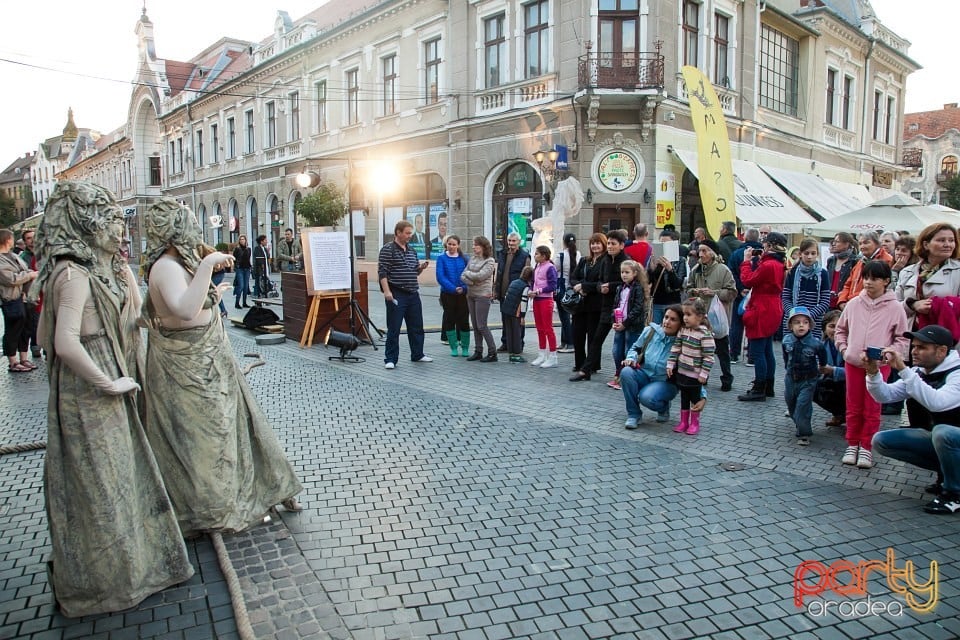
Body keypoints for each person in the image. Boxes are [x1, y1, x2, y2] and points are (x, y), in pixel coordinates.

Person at [31, 182, 193, 616]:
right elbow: (63, 342)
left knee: (120, 472)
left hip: (108, 368)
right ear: (88, 224)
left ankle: (132, 563)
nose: (119, 231)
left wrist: (128, 289)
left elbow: (129, 318)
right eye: (111, 221)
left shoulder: (94, 270)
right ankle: (110, 577)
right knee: (101, 479)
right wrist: (108, 382)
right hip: (90, 390)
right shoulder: (73, 274)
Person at [142, 198, 303, 535]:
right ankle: (213, 504)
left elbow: (198, 302)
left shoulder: (179, 264)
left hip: (209, 359)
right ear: (174, 231)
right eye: (188, 223)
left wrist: (214, 286)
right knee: (205, 438)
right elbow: (184, 311)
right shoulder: (166, 267)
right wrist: (208, 265)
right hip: (188, 364)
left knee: (234, 426)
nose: (194, 230)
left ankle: (259, 486)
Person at [868, 325, 960, 514]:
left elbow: (937, 403)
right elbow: (885, 395)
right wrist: (872, 373)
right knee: (881, 441)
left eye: (922, 347)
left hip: (951, 438)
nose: (914, 351)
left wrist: (903, 368)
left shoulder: (957, 374)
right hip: (946, 441)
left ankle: (954, 494)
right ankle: (948, 474)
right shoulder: (920, 372)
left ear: (942, 351)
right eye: (914, 346)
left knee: (943, 433)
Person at [834, 260, 910, 469]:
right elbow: (841, 331)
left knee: (872, 407)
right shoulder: (854, 303)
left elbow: (902, 339)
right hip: (853, 363)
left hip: (878, 366)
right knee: (853, 405)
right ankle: (852, 443)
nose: (869, 282)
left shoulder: (895, 307)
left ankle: (867, 446)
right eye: (866, 278)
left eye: (874, 278)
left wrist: (888, 356)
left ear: (886, 281)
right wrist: (844, 349)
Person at [738, 232, 788, 401]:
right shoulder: (779, 263)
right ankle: (768, 386)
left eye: (765, 243)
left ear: (770, 245)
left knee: (758, 351)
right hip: (772, 306)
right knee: (767, 350)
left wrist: (745, 262)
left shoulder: (768, 265)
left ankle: (759, 387)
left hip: (762, 308)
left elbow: (748, 279)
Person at [574, 229, 627, 381]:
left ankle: (621, 374)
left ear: (621, 245)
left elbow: (627, 283)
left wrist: (609, 286)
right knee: (596, 339)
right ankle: (586, 370)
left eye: (613, 244)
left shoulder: (625, 260)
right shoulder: (605, 260)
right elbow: (599, 282)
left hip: (621, 308)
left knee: (620, 345)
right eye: (609, 243)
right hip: (605, 306)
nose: (610, 246)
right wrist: (599, 287)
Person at [378, 219, 432, 369]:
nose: (410, 236)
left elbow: (414, 271)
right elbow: (382, 272)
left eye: (411, 233)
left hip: (413, 292)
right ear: (398, 233)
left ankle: (418, 354)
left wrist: (421, 267)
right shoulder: (387, 249)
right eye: (407, 233)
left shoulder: (411, 250)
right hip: (397, 292)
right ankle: (390, 359)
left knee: (416, 326)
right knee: (394, 327)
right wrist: (387, 292)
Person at [621, 304, 684, 427]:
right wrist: (630, 358)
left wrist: (701, 395)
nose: (667, 322)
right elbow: (635, 348)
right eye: (666, 317)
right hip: (644, 374)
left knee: (647, 397)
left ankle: (663, 406)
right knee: (626, 372)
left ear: (681, 324)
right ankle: (634, 415)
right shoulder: (650, 331)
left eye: (673, 319)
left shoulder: (683, 342)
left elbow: (691, 369)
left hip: (665, 382)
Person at [685, 241, 736, 391]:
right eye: (700, 251)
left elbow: (732, 292)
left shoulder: (723, 270)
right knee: (699, 349)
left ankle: (727, 379)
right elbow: (687, 288)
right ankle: (702, 377)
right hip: (700, 316)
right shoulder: (696, 269)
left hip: (717, 317)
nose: (701, 254)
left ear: (712, 253)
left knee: (722, 351)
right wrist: (694, 291)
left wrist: (714, 293)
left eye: (704, 251)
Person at [896, 223, 960, 340]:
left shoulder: (958, 271)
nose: (948, 244)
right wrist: (912, 305)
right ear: (926, 244)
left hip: (944, 338)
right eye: (941, 240)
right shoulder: (907, 272)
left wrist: (938, 305)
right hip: (911, 335)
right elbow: (894, 305)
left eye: (951, 240)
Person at [666, 297, 715, 435]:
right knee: (684, 398)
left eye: (689, 315)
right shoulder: (683, 330)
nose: (685, 318)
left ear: (699, 316)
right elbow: (676, 348)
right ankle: (683, 421)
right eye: (684, 315)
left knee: (695, 398)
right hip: (682, 371)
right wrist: (671, 363)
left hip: (695, 374)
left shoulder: (705, 334)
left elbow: (709, 357)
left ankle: (694, 422)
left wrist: (703, 374)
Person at [569, 232, 607, 380]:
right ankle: (580, 363)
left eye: (598, 243)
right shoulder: (585, 261)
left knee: (593, 336)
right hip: (580, 304)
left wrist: (584, 286)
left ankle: (592, 365)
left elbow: (601, 282)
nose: (595, 246)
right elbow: (573, 277)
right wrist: (578, 286)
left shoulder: (605, 262)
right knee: (577, 334)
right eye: (593, 243)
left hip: (596, 304)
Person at [782, 306, 821, 446]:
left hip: (808, 379)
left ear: (809, 325)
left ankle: (804, 433)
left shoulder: (815, 343)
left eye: (805, 322)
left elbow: (822, 357)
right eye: (797, 322)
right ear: (791, 326)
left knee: (803, 405)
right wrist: (787, 369)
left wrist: (821, 368)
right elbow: (786, 356)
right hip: (791, 378)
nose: (801, 325)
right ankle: (798, 422)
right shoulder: (786, 340)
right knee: (791, 403)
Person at [0, 230, 37, 372]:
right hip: (10, 298)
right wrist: (29, 275)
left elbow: (25, 270)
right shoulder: (2, 259)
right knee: (13, 328)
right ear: (7, 240)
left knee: (25, 327)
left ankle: (23, 357)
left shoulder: (14, 255)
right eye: (11, 238)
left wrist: (28, 275)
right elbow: (11, 279)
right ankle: (13, 361)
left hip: (23, 296)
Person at [609, 259, 648, 389]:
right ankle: (619, 373)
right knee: (616, 350)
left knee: (630, 350)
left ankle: (628, 376)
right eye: (622, 272)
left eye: (627, 272)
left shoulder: (638, 288)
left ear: (635, 273)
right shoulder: (620, 287)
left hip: (632, 325)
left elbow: (638, 308)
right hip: (620, 323)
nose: (624, 275)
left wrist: (625, 323)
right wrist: (614, 321)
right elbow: (615, 305)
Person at [780, 238, 830, 341]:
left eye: (813, 253)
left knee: (811, 353)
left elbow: (825, 301)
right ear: (800, 254)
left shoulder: (823, 274)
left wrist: (808, 316)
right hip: (793, 321)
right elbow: (785, 297)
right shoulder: (792, 272)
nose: (809, 256)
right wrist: (794, 314)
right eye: (806, 253)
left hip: (813, 321)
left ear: (817, 254)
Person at [461, 236, 498, 362]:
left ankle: (493, 352)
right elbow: (463, 275)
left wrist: (469, 276)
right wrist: (471, 281)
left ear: (482, 246)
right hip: (471, 294)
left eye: (475, 245)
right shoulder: (472, 258)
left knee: (482, 325)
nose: (473, 247)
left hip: (483, 295)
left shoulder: (490, 261)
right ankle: (478, 351)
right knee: (475, 325)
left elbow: (481, 276)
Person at [728, 228, 762, 363]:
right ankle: (751, 356)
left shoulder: (737, 254)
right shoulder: (762, 255)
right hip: (757, 294)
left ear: (745, 238)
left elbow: (731, 273)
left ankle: (734, 354)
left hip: (740, 292)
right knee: (753, 324)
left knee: (736, 324)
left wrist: (741, 288)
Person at [495, 232, 531, 351]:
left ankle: (519, 343)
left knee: (518, 320)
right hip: (503, 293)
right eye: (509, 241)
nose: (511, 243)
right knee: (505, 319)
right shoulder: (502, 254)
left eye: (514, 241)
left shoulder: (524, 256)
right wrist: (495, 290)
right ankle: (506, 342)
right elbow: (498, 272)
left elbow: (527, 275)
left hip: (517, 294)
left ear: (519, 242)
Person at [838, 231, 893, 308]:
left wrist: (851, 300)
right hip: (853, 304)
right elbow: (848, 284)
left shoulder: (886, 260)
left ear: (877, 243)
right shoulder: (860, 262)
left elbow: (878, 287)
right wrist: (842, 300)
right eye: (860, 244)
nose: (862, 246)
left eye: (866, 243)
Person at [436, 234, 470, 356]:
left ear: (458, 245)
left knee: (464, 320)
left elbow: (469, 274)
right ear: (446, 245)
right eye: (449, 244)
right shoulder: (441, 258)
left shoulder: (465, 258)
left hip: (463, 294)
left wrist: (464, 288)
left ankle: (465, 347)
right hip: (448, 294)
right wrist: (453, 288)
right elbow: (440, 276)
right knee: (449, 319)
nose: (451, 246)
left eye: (454, 244)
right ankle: (453, 346)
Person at [527, 245, 559, 368]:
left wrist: (539, 291)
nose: (535, 256)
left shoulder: (550, 268)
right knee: (539, 328)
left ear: (544, 256)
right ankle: (541, 354)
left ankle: (552, 355)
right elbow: (533, 282)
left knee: (548, 328)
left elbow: (553, 286)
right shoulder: (537, 266)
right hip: (536, 300)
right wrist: (531, 290)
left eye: (537, 254)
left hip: (546, 300)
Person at [648, 229, 686, 325]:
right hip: (656, 302)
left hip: (672, 303)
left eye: (666, 243)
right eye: (661, 243)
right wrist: (652, 268)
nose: (663, 246)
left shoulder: (680, 260)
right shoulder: (655, 259)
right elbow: (648, 281)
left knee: (671, 332)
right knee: (655, 331)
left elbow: (677, 284)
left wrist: (670, 269)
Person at [817, 310, 847, 428]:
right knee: (813, 388)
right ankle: (839, 414)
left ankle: (852, 419)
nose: (835, 330)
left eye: (839, 326)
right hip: (831, 381)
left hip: (849, 383)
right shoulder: (820, 345)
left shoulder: (850, 346)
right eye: (831, 326)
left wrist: (833, 370)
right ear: (824, 328)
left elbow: (855, 373)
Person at [553, 233, 580, 353]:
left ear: (563, 242)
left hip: (562, 289)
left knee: (564, 317)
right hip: (573, 289)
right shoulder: (578, 254)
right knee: (568, 317)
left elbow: (555, 270)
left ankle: (569, 343)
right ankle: (565, 342)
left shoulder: (561, 255)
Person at [501, 266, 533, 363]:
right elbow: (523, 302)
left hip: (506, 310)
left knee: (509, 332)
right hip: (516, 312)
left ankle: (511, 354)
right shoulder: (525, 287)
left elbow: (507, 295)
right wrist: (522, 316)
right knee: (516, 333)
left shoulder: (514, 282)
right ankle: (517, 354)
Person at [19, 229, 41, 358]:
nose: (32, 240)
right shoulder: (23, 257)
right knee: (34, 322)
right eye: (28, 238)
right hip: (31, 294)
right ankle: (35, 346)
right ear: (25, 241)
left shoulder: (43, 252)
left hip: (46, 293)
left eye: (33, 237)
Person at [826, 232, 858, 310]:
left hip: (844, 302)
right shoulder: (831, 260)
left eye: (837, 241)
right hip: (829, 302)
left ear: (846, 244)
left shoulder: (854, 261)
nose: (834, 244)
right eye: (834, 241)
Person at [232, 234, 252, 308]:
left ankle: (244, 302)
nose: (242, 240)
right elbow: (234, 259)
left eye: (243, 239)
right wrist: (235, 266)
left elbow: (248, 258)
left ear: (246, 240)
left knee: (246, 286)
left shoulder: (248, 249)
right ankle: (237, 303)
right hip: (239, 268)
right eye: (241, 239)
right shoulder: (237, 249)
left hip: (247, 269)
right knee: (241, 286)